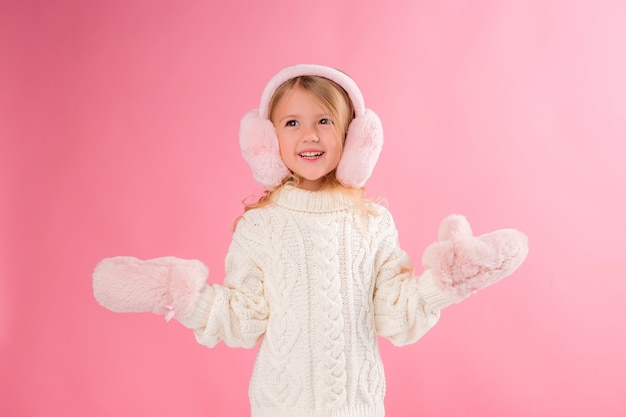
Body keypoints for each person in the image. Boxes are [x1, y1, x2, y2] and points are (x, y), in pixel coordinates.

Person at [93, 64, 528, 417]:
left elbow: (394, 313)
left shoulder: (372, 222)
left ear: (354, 138)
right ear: (268, 141)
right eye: (292, 122)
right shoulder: (260, 227)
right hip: (280, 408)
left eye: (324, 120)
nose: (310, 135)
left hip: (357, 408)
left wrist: (445, 282)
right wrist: (179, 294)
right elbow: (244, 317)